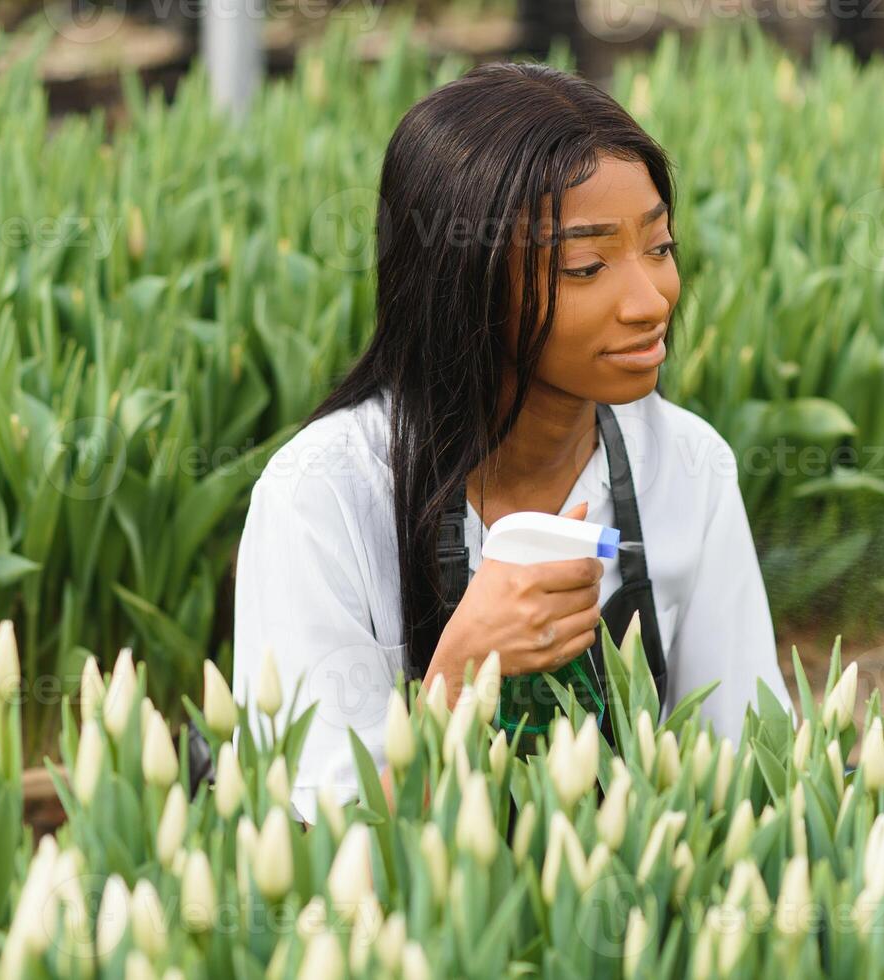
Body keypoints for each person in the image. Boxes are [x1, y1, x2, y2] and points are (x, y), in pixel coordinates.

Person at [230, 60, 792, 825]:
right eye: (588, 266)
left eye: (659, 247)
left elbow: (751, 766)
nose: (650, 299)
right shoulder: (320, 496)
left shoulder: (687, 464)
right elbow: (313, 846)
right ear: (464, 281)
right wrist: (460, 677)